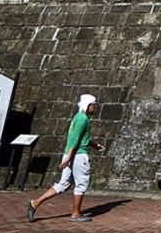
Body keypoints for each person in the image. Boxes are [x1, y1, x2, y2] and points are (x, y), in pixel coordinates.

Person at [26, 94, 105, 223]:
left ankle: (35, 203)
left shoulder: (78, 117)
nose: (95, 108)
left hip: (72, 153)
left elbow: (79, 137)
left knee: (63, 184)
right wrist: (69, 157)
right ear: (88, 105)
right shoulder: (83, 119)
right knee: (81, 184)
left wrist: (94, 145)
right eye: (94, 105)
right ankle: (76, 214)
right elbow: (74, 140)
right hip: (78, 156)